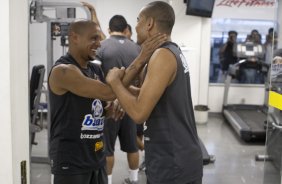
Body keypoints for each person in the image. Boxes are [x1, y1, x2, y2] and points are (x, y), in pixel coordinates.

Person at [48, 20, 166, 184]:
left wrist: (113, 108)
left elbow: (105, 101)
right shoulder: (63, 71)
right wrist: (142, 57)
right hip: (71, 162)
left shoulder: (94, 69)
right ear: (74, 37)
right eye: (93, 39)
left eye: (99, 39)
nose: (99, 43)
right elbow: (109, 91)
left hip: (96, 158)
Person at [106, 1, 203, 184]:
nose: (135, 26)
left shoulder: (163, 56)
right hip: (168, 159)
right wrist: (122, 92)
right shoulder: (169, 52)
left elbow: (139, 113)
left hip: (174, 163)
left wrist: (115, 83)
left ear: (149, 23)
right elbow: (147, 94)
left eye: (138, 20)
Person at [95, 15, 141, 184]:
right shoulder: (137, 49)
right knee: (132, 145)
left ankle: (107, 181)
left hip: (109, 106)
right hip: (130, 103)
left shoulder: (102, 47)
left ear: (109, 29)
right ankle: (134, 180)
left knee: (107, 149)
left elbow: (96, 77)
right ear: (125, 29)